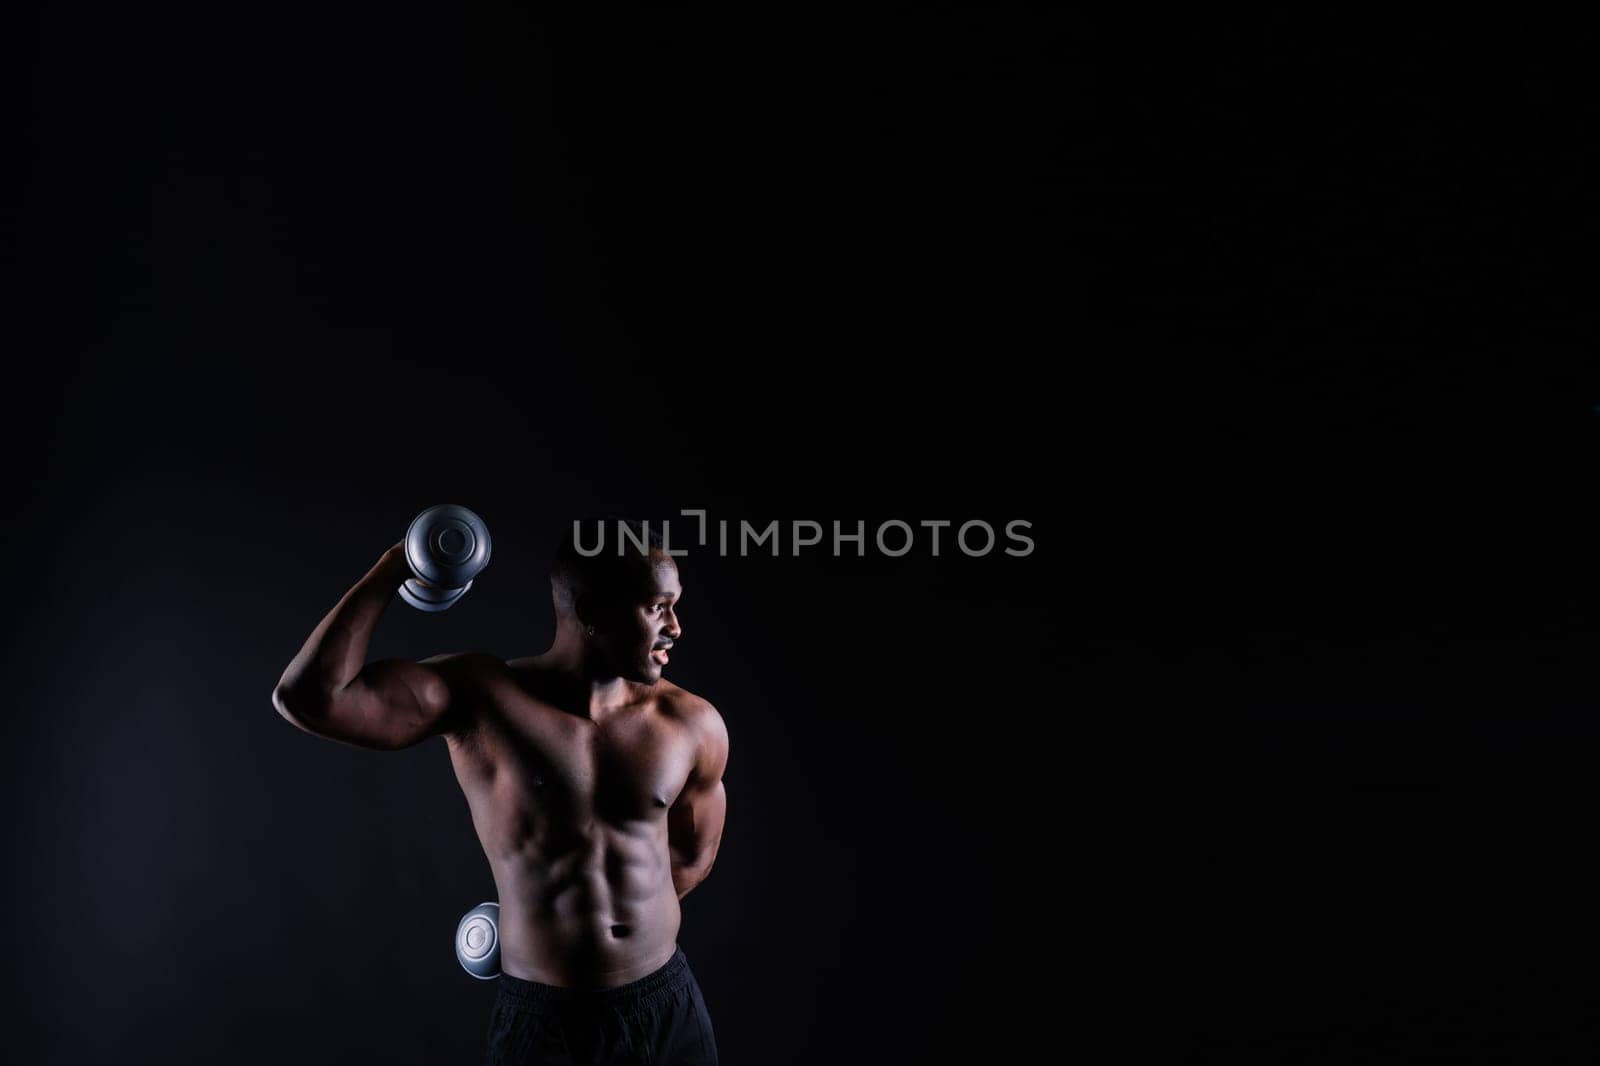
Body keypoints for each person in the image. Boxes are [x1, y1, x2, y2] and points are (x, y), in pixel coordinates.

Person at [271, 519, 728, 1064]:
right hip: (549, 1021)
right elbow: (308, 699)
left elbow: (692, 858)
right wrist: (401, 562)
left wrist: (608, 936)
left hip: (666, 1004)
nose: (674, 626)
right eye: (655, 606)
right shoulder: (481, 699)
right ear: (591, 612)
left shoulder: (692, 724)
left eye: (673, 605)